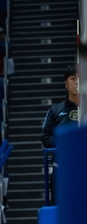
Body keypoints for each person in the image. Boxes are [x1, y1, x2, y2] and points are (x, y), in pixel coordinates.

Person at [41, 65, 78, 204]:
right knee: (59, 209)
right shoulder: (55, 110)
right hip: (62, 167)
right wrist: (64, 143)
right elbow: (45, 136)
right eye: (73, 79)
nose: (77, 82)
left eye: (80, 79)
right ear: (65, 83)